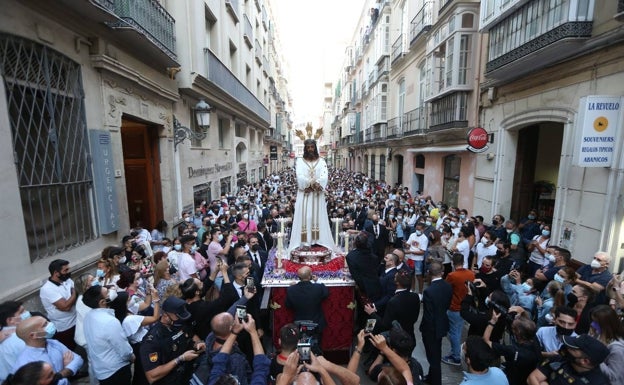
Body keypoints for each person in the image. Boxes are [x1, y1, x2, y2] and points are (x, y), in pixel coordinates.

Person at [139, 297, 203, 385]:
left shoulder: (180, 324)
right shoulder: (152, 340)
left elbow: (192, 336)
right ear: (165, 315)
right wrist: (180, 359)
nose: (181, 319)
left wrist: (199, 344)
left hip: (185, 377)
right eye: (178, 316)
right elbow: (152, 376)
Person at [82, 285, 134, 385]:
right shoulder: (110, 322)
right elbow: (123, 349)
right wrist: (131, 356)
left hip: (102, 370)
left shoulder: (89, 316)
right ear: (102, 302)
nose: (112, 292)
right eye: (108, 292)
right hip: (116, 371)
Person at [289, 138, 335, 251]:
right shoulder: (300, 161)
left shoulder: (322, 161)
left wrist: (316, 184)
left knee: (317, 216)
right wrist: (309, 184)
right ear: (305, 149)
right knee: (306, 216)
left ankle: (317, 240)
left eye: (312, 147)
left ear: (315, 148)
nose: (310, 149)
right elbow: (299, 175)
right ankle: (305, 241)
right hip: (305, 194)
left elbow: (324, 175)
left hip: (317, 195)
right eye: (308, 147)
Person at [13, 316, 83, 385]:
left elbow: (78, 359)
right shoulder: (25, 363)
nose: (50, 324)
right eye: (45, 325)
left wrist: (61, 373)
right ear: (33, 335)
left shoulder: (54, 343)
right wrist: (65, 370)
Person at [484, 309, 541, 385]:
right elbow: (529, 324)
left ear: (518, 332)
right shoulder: (534, 339)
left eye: (513, 327)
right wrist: (522, 312)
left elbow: (486, 340)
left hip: (512, 380)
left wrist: (492, 322)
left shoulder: (513, 351)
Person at [527, 334, 610, 385]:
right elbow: (532, 378)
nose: (566, 348)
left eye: (572, 349)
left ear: (584, 361)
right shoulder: (558, 358)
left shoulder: (597, 382)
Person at [419, 261, 452, 385]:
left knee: (433, 359)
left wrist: (424, 329)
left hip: (431, 329)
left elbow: (428, 315)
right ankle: (432, 377)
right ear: (441, 272)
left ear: (429, 273)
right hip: (442, 324)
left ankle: (436, 381)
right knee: (436, 355)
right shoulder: (448, 286)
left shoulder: (429, 291)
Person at [442, 253, 474, 366]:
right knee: (458, 331)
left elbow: (445, 289)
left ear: (453, 262)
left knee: (453, 333)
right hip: (465, 307)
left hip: (454, 307)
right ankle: (455, 352)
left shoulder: (452, 276)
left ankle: (456, 357)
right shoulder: (471, 274)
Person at [39, 259, 77, 350]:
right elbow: (65, 307)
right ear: (56, 273)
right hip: (64, 327)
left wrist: (69, 301)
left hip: (76, 320)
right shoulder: (47, 289)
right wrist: (74, 293)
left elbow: (68, 304)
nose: (68, 272)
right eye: (65, 270)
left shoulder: (68, 281)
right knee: (69, 350)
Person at [589, 304, 624, 384]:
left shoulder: (617, 349)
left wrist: (596, 357)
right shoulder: (598, 335)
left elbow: (613, 376)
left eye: (596, 322)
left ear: (605, 325)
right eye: (592, 321)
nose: (592, 324)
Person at [286, 266, 329, 331]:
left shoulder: (291, 290)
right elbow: (326, 293)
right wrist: (317, 281)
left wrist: (292, 287)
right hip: (316, 322)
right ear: (310, 276)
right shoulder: (318, 288)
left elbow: (288, 305)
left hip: (299, 324)